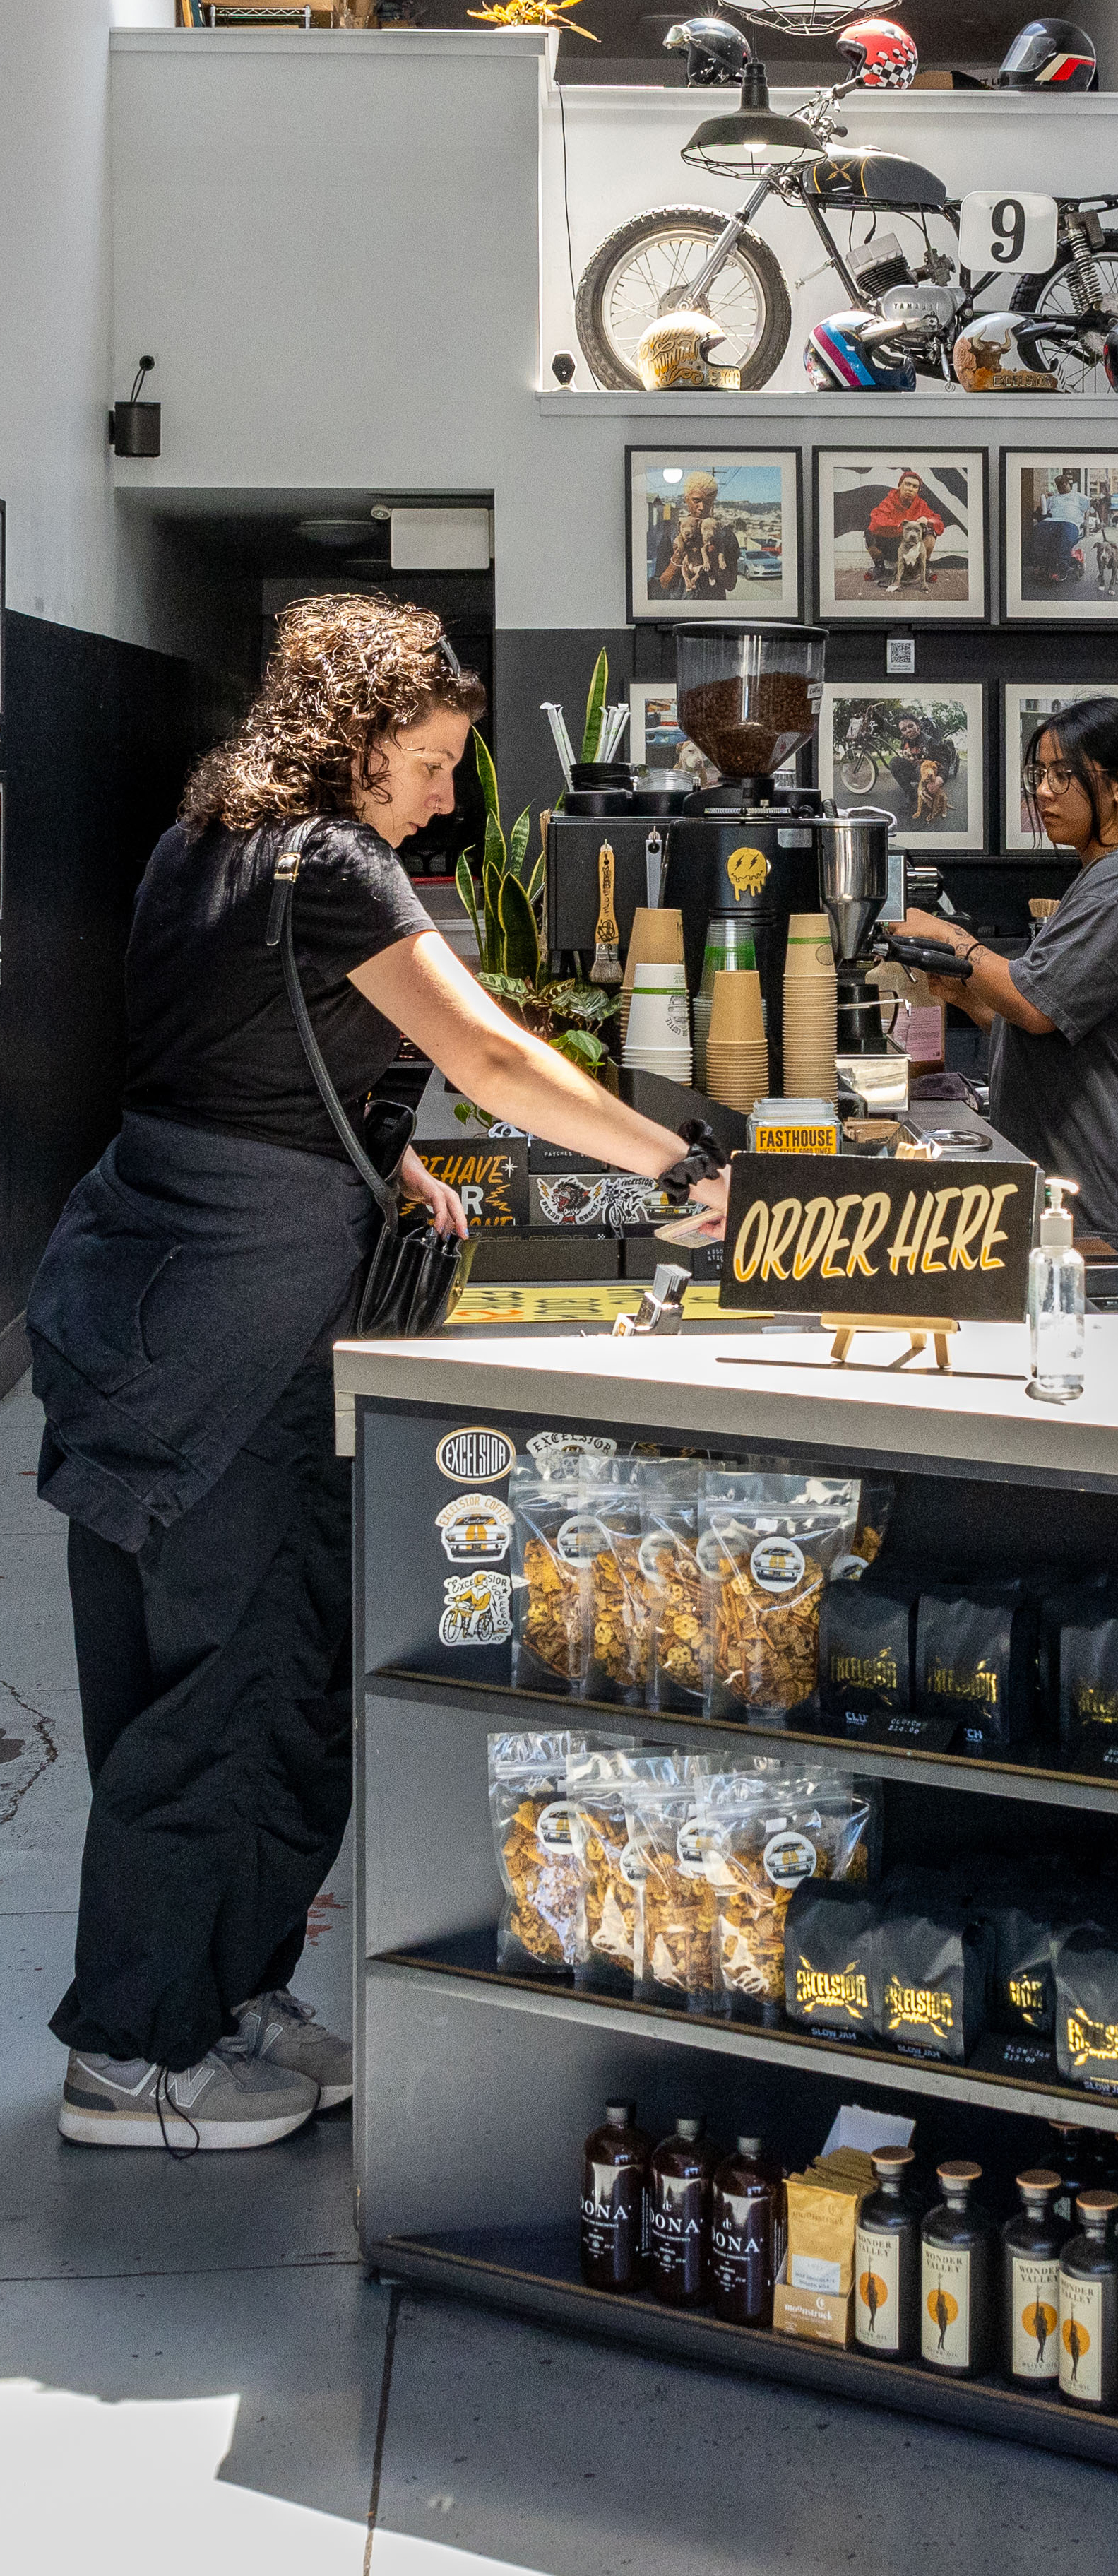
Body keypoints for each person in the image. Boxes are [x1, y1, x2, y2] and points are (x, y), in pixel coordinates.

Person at [30, 596, 730, 2155]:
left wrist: (388, 1159)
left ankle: (228, 1992)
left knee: (212, 1678)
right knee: (233, 1695)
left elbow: (239, 1058)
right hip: (237, 1335)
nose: (440, 799)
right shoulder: (331, 867)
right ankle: (137, 2059)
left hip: (136, 1300)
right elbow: (491, 1055)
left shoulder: (194, 847)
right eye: (421, 764)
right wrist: (678, 1165)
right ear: (350, 747)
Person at [896, 697, 1118, 1310]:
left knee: (1106, 1390)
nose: (1045, 792)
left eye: (1065, 775)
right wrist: (971, 997)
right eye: (1040, 775)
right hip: (1081, 1203)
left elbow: (1034, 1006)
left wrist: (951, 937)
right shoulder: (1104, 874)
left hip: (1107, 1211)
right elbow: (1058, 1026)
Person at [649, 468, 739, 602]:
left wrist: (714, 560)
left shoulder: (725, 535)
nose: (702, 507)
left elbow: (731, 584)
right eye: (696, 500)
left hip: (712, 610)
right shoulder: (673, 533)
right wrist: (679, 555)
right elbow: (663, 583)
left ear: (713, 501)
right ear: (686, 500)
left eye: (708, 501)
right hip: (681, 609)